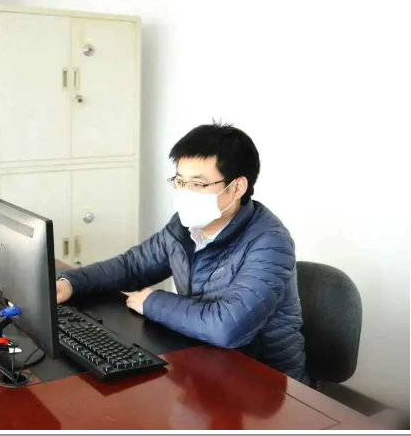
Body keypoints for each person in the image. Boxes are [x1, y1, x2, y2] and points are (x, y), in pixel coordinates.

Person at [56, 123, 307, 382]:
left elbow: (227, 327)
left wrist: (153, 302)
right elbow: (133, 266)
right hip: (203, 361)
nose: (186, 193)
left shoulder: (270, 243)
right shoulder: (186, 226)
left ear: (237, 187)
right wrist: (72, 282)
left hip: (265, 382)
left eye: (197, 184)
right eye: (180, 182)